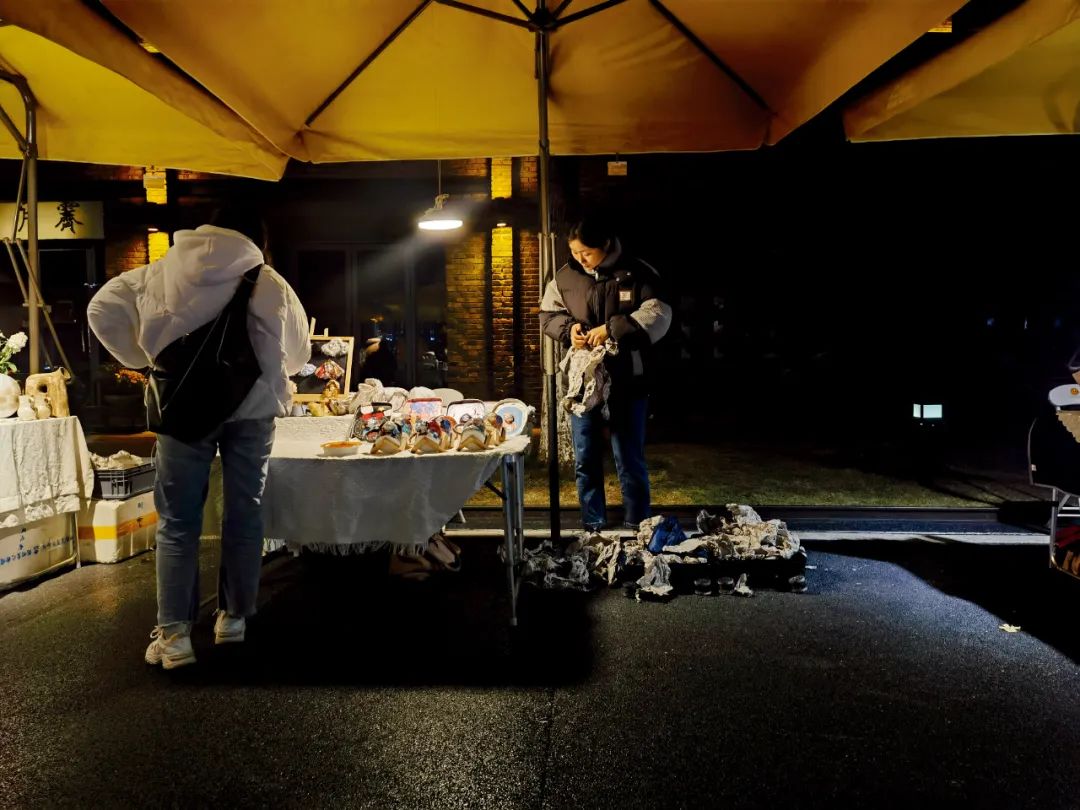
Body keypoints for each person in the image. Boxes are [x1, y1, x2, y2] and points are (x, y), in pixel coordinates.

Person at [87, 204, 310, 669]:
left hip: (182, 411)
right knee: (244, 511)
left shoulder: (157, 273)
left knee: (178, 519)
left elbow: (100, 309)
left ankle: (174, 637)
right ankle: (233, 619)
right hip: (252, 411)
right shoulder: (267, 281)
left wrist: (144, 357)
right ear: (256, 238)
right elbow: (298, 353)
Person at [539, 215, 672, 532]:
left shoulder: (637, 273)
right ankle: (593, 522)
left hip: (627, 377)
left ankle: (637, 522)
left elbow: (659, 313)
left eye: (586, 252)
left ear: (607, 245)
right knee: (585, 456)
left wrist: (611, 329)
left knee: (628, 456)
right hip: (583, 383)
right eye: (575, 252)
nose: (579, 258)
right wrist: (569, 330)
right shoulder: (566, 276)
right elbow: (548, 314)